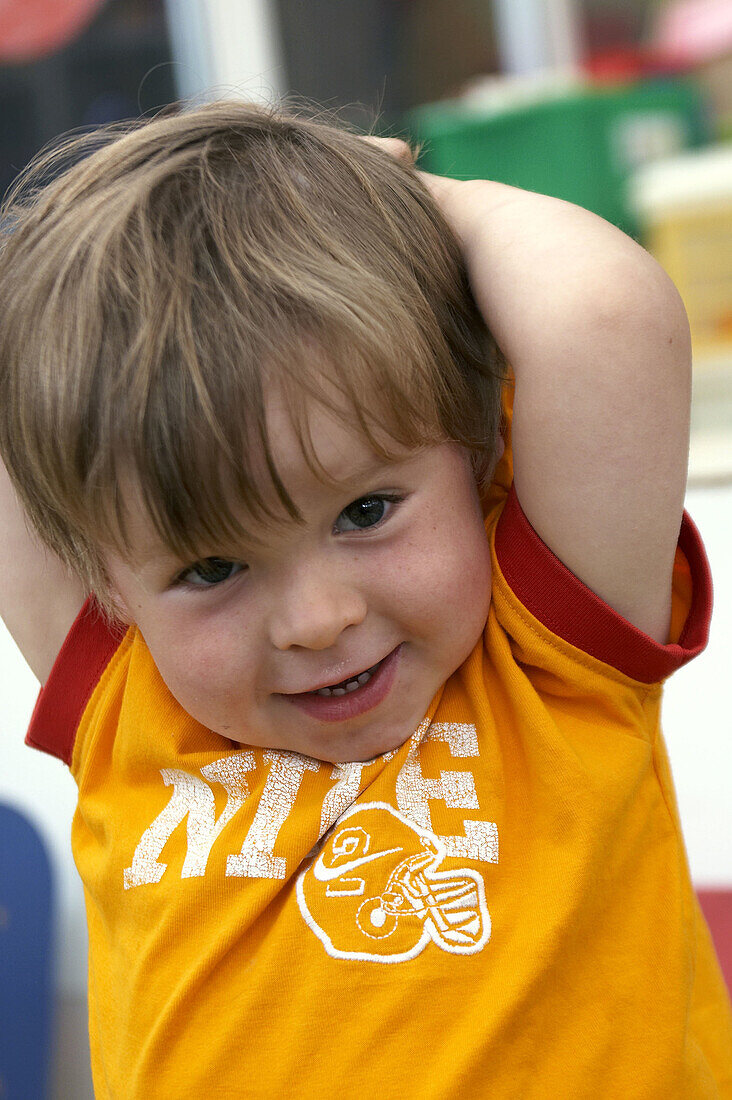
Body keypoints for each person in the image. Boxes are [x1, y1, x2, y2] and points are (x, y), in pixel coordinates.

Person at [0, 99, 730, 1098]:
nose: (318, 618)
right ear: (107, 580)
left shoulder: (549, 668)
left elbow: (600, 314)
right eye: (213, 568)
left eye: (367, 510)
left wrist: (403, 202)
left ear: (475, 458)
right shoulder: (127, 704)